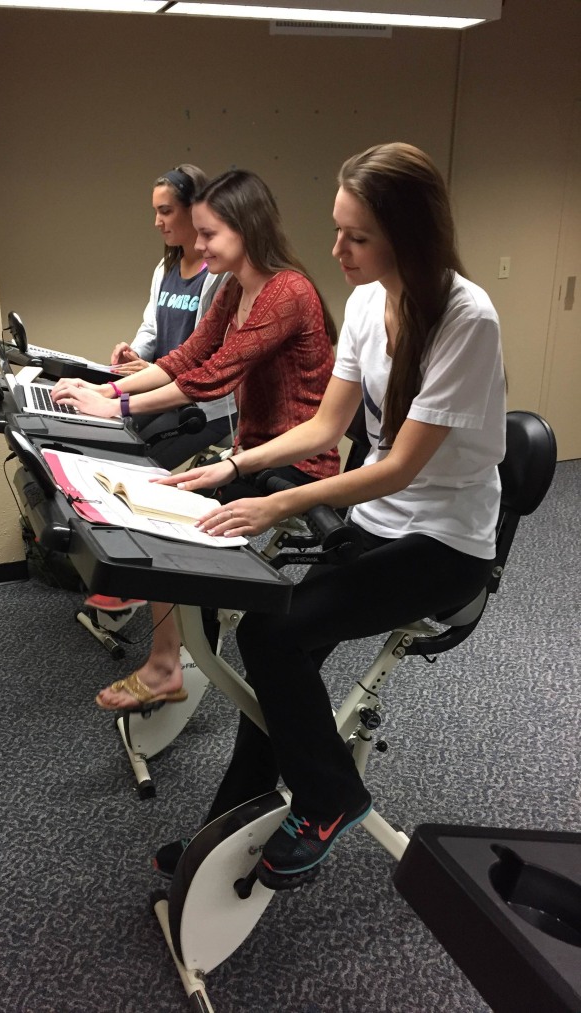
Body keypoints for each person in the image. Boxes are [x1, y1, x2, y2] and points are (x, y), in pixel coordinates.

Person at [151, 142, 506, 891]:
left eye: (357, 236)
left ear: (409, 235)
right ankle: (230, 826)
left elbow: (401, 466)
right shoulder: (367, 301)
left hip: (445, 544)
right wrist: (233, 466)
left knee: (273, 634)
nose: (336, 249)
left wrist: (278, 501)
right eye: (337, 228)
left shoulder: (467, 319)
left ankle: (330, 797)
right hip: (380, 524)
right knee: (283, 655)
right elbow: (324, 427)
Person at [51, 169, 341, 711]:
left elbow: (214, 377)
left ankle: (166, 665)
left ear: (247, 228)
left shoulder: (287, 292)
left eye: (209, 234)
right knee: (158, 509)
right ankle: (172, 656)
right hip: (251, 455)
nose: (198, 245)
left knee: (170, 522)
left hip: (298, 465)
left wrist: (116, 405)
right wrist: (106, 389)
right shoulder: (235, 289)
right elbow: (186, 358)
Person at [109, 164, 237, 471]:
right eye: (155, 212)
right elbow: (151, 325)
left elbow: (206, 351)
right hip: (163, 388)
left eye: (165, 211)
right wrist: (135, 353)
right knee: (112, 440)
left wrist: (152, 370)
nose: (157, 222)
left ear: (194, 210)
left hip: (203, 405)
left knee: (140, 466)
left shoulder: (221, 274)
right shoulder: (165, 269)